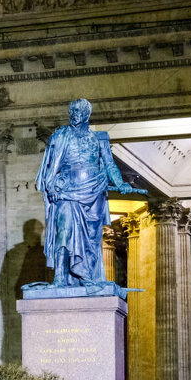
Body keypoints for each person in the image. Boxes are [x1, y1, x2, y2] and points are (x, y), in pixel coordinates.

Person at [29, 98, 146, 293]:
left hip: (93, 194)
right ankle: (60, 278)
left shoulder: (99, 138)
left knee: (91, 241)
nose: (74, 115)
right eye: (72, 112)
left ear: (87, 115)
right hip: (66, 192)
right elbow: (50, 166)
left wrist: (120, 183)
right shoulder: (61, 135)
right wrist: (53, 185)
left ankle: (87, 276)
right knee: (64, 233)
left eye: (79, 112)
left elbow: (109, 165)